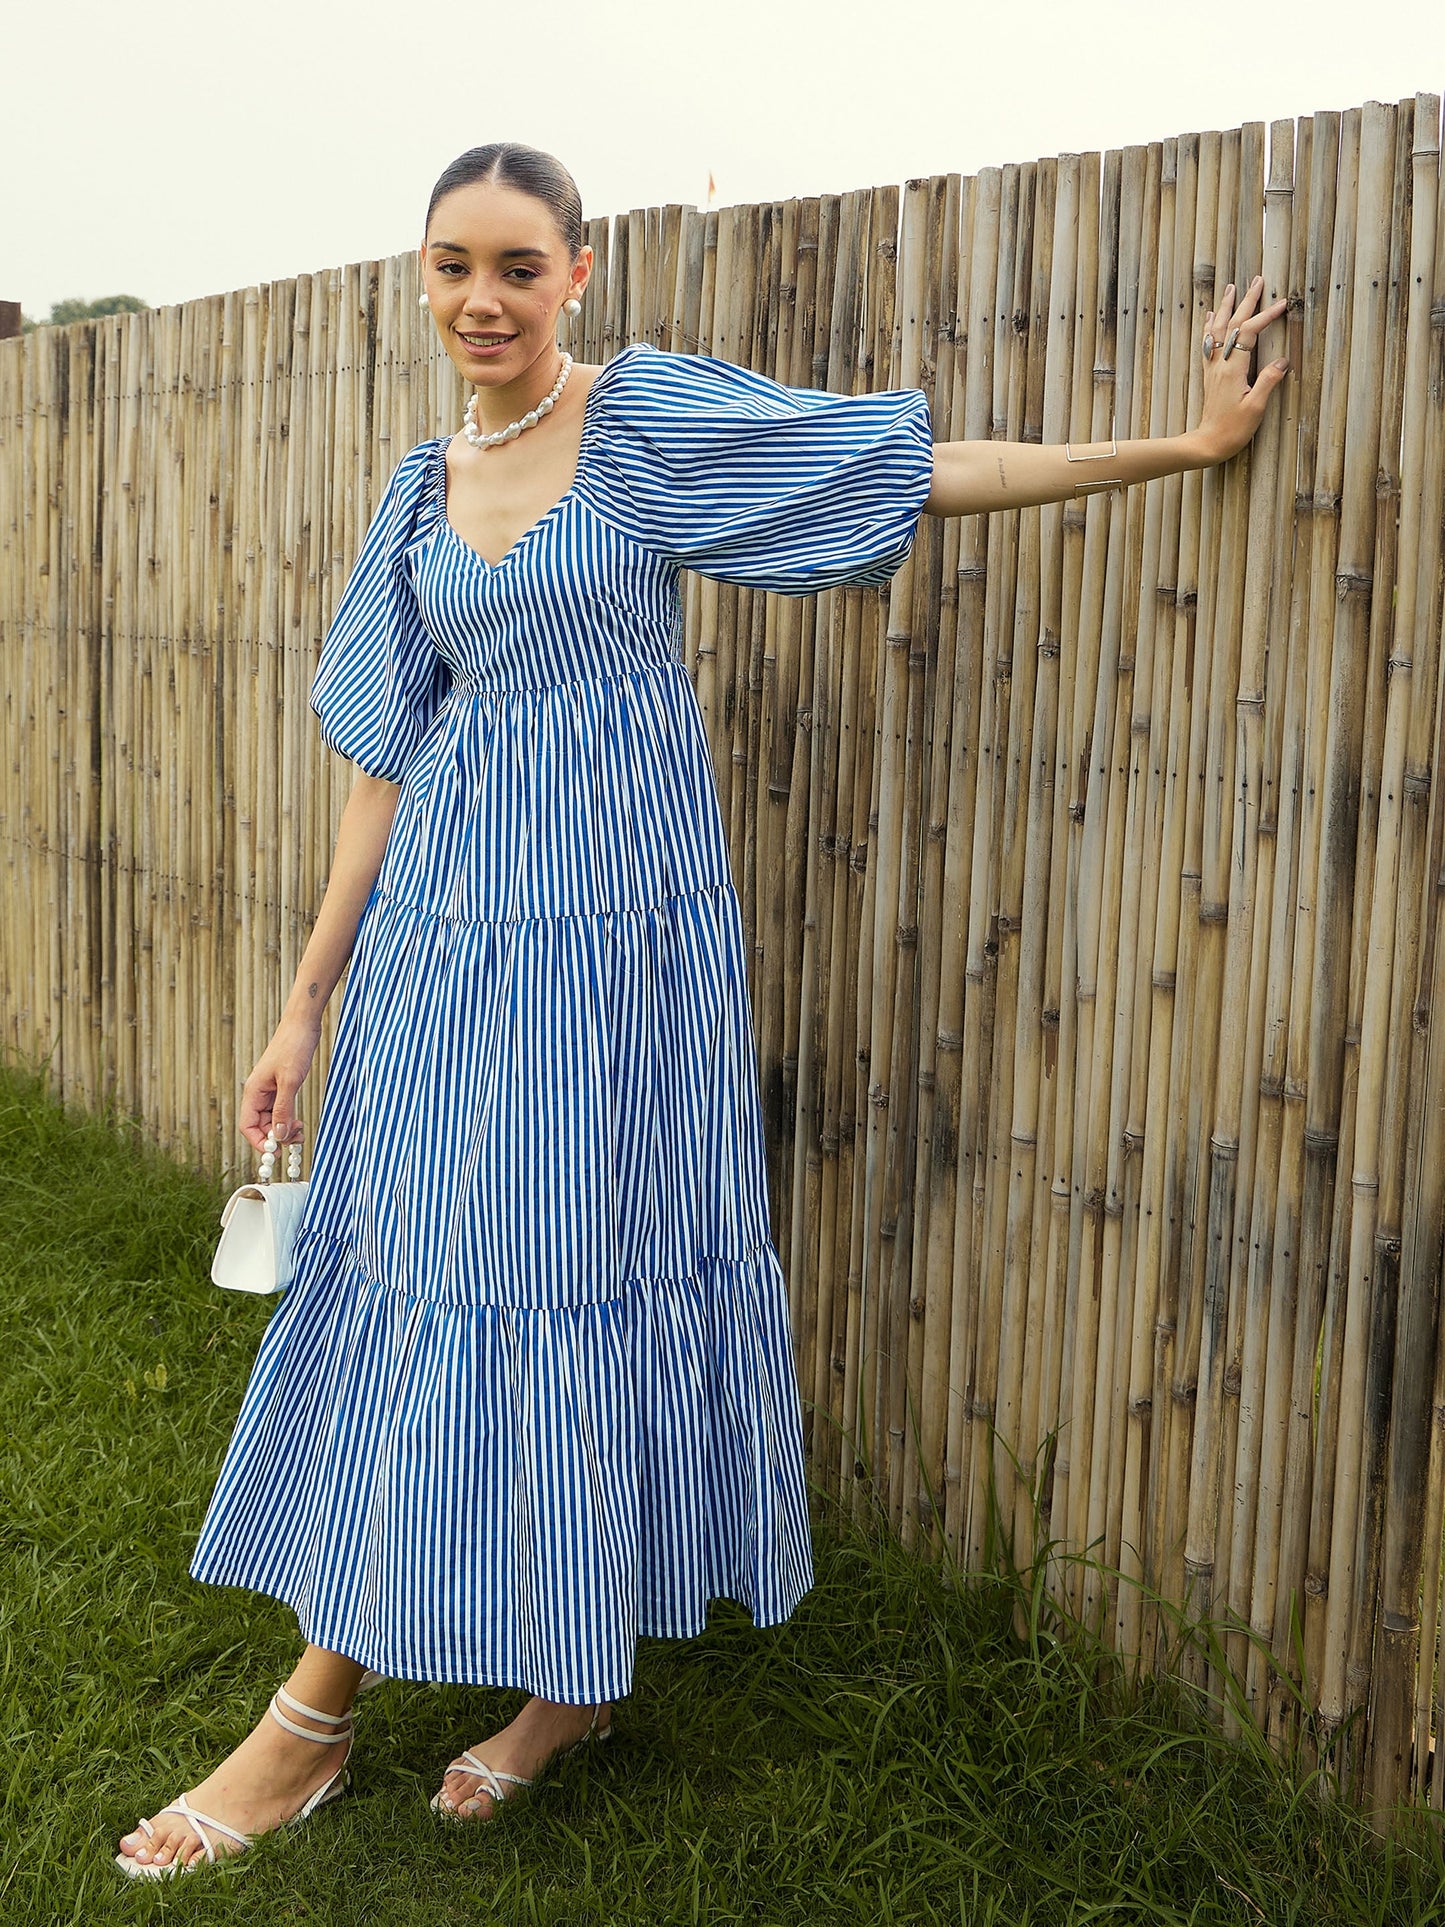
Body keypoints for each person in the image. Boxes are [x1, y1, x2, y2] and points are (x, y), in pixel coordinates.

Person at [116, 142, 1287, 1877]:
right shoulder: (414, 493)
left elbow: (914, 465)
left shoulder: (650, 427)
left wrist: (1178, 446)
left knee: (565, 1273)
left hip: (613, 959)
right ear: (420, 278)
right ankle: (354, 1701)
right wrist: (305, 1006)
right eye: (452, 266)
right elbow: (382, 767)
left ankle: (455, 1698)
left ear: (579, 273)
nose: (482, 300)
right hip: (444, 944)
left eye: (518, 266)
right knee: (425, 1274)